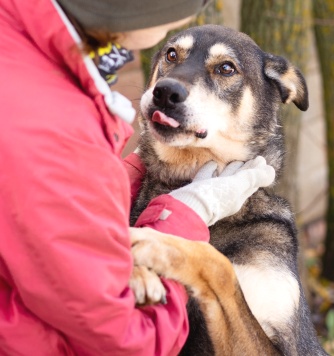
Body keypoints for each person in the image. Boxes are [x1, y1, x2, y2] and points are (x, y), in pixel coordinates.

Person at [0, 0, 275, 355]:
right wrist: (185, 216)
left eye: (223, 69)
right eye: (172, 56)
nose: (174, 83)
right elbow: (127, 341)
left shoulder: (25, 50)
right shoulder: (55, 124)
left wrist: (124, 177)